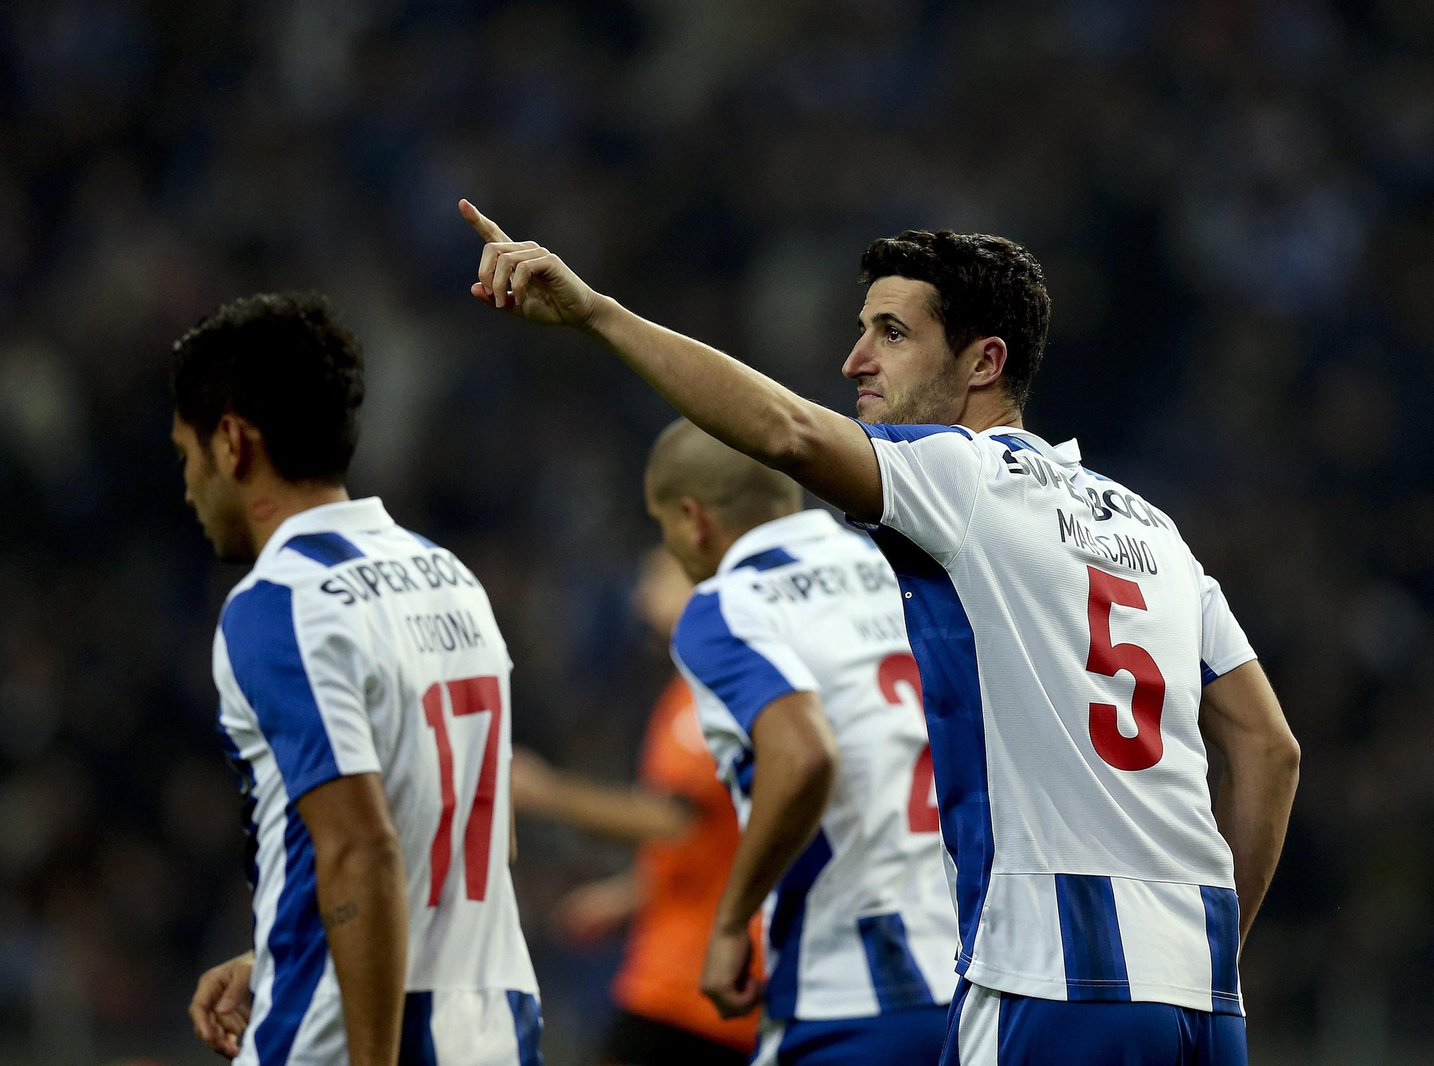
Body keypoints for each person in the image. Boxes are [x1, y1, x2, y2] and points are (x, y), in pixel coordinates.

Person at [459, 202, 1301, 1066]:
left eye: (892, 334)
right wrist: (1206, 959)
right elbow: (1270, 751)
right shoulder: (1156, 531)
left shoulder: (965, 477)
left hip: (1049, 982)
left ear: (984, 363)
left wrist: (597, 312)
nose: (855, 360)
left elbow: (785, 431)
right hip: (1203, 1005)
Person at [173, 292, 541, 1066]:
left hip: (342, 1042)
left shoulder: (278, 607)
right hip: (495, 1035)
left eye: (187, 456)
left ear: (233, 443)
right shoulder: (449, 577)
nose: (188, 488)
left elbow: (362, 852)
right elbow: (480, 833)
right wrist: (281, 950)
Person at [643, 420, 957, 1066]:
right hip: (974, 972)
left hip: (851, 989)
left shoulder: (726, 607)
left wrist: (732, 920)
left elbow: (804, 755)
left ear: (692, 519)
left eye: (663, 527)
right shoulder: (897, 567)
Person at [510, 549, 760, 1066]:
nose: (641, 595)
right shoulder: (704, 682)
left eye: (658, 577)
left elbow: (673, 819)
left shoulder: (713, 687)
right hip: (706, 967)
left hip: (689, 976)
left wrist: (546, 792)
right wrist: (626, 896)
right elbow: (721, 835)